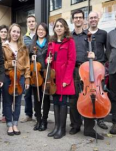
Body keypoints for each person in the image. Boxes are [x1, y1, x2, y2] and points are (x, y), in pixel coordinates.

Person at [68, 9, 104, 140]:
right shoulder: (69, 37)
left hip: (86, 70)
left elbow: (96, 53)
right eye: (75, 17)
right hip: (72, 70)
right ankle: (75, 125)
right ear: (72, 20)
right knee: (73, 100)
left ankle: (89, 128)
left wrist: (93, 55)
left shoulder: (89, 35)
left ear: (83, 20)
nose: (78, 19)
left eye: (80, 17)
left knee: (89, 99)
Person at [46, 18, 76, 139]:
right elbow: (49, 57)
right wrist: (47, 60)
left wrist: (67, 80)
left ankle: (62, 129)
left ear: (65, 28)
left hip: (64, 77)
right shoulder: (51, 42)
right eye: (57, 26)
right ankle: (56, 127)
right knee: (56, 102)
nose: (58, 28)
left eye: (61, 26)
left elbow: (71, 61)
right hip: (54, 77)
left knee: (63, 102)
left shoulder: (70, 42)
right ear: (54, 29)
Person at [2, 23, 30, 136]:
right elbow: (0, 63)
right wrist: (9, 63)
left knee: (18, 102)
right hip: (8, 76)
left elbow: (27, 63)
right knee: (8, 102)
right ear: (10, 32)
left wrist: (27, 78)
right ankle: (9, 124)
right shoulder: (4, 46)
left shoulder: (23, 48)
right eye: (14, 31)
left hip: (21, 77)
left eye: (18, 32)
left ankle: (15, 123)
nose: (15, 34)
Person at [87, 11, 108, 130]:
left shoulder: (104, 34)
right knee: (87, 92)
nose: (93, 19)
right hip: (87, 67)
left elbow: (108, 50)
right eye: (91, 18)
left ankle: (100, 119)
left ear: (98, 19)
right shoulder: (85, 33)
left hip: (100, 68)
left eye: (95, 17)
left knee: (100, 93)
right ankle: (88, 116)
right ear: (88, 20)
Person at [30, 23, 50, 131]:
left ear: (46, 31)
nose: (41, 31)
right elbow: (28, 60)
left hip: (46, 73)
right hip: (35, 74)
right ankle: (38, 120)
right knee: (37, 98)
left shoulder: (49, 43)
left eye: (43, 30)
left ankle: (44, 121)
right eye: (39, 29)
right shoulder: (33, 44)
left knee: (45, 98)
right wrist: (31, 58)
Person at [22, 15, 37, 123]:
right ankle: (28, 114)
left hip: (37, 68)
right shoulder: (24, 38)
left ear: (35, 23)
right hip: (27, 68)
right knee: (27, 93)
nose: (31, 23)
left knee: (36, 92)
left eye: (33, 21)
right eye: (29, 21)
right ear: (27, 24)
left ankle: (37, 114)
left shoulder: (40, 35)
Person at [0, 24, 9, 123]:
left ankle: (4, 114)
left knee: (6, 95)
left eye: (5, 32)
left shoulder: (9, 44)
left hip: (7, 73)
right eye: (2, 32)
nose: (3, 33)